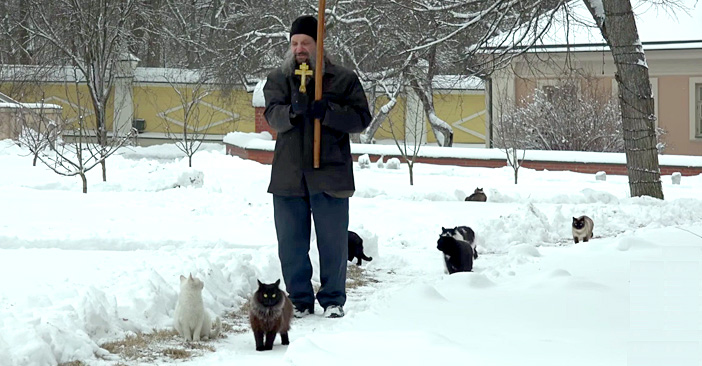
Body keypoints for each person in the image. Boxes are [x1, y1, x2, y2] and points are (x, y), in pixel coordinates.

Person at [263, 15, 372, 319]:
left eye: (306, 43)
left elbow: (362, 118)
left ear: (319, 45)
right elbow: (272, 116)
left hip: (330, 174)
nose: (300, 48)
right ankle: (299, 299)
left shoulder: (343, 79)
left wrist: (330, 113)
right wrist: (292, 112)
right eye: (295, 43)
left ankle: (333, 298)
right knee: (291, 244)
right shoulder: (278, 79)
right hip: (289, 175)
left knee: (333, 242)